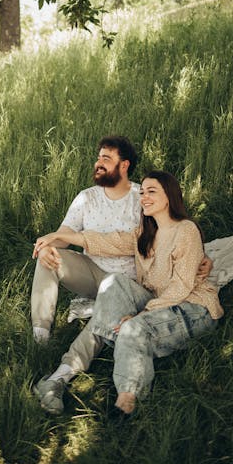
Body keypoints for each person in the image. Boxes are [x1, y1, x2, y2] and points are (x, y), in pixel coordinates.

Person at [32, 170, 223, 417]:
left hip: (193, 308)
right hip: (158, 304)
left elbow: (181, 287)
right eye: (142, 192)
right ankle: (63, 374)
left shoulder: (185, 230)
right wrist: (58, 236)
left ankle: (125, 403)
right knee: (113, 284)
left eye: (152, 191)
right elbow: (104, 241)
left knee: (134, 328)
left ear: (170, 197)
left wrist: (141, 314)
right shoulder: (144, 234)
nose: (144, 197)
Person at [31, 136, 213, 343]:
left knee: (110, 318)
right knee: (47, 257)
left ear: (124, 165)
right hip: (92, 271)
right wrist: (48, 246)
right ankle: (40, 336)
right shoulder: (86, 197)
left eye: (106, 159)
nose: (98, 163)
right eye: (98, 158)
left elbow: (173, 230)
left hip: (130, 282)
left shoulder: (143, 197)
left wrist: (202, 257)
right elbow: (64, 234)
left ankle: (101, 325)